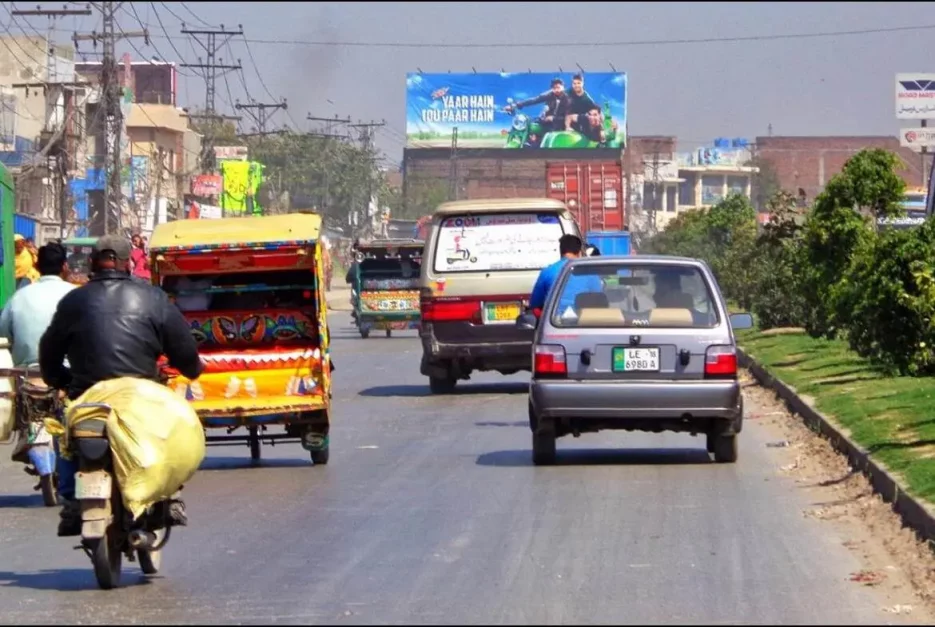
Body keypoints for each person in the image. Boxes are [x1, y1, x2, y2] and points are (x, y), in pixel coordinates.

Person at [39, 234, 204, 537]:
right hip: (140, 396)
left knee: (65, 440)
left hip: (87, 398)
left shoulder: (73, 300)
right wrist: (193, 369)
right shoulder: (153, 299)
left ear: (92, 262)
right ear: (129, 262)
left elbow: (49, 352)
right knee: (171, 431)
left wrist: (60, 380)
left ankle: (72, 499)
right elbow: (183, 348)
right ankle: (171, 494)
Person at [0, 242, 76, 463]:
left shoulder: (20, 297)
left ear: (37, 267)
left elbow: (4, 333)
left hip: (28, 374)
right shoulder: (75, 295)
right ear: (64, 267)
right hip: (70, 374)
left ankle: (26, 433)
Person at [528, 234, 603, 316]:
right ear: (579, 252)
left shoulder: (547, 272)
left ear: (561, 252)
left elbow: (535, 303)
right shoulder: (589, 272)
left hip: (554, 322)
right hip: (583, 323)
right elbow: (598, 300)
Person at [503, 77, 570, 133]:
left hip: (561, 124)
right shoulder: (549, 94)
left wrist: (553, 118)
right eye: (554, 88)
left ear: (563, 87)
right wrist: (515, 105)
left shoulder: (568, 98)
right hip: (546, 121)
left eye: (558, 87)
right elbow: (534, 100)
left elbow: (569, 117)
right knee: (528, 125)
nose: (556, 90)